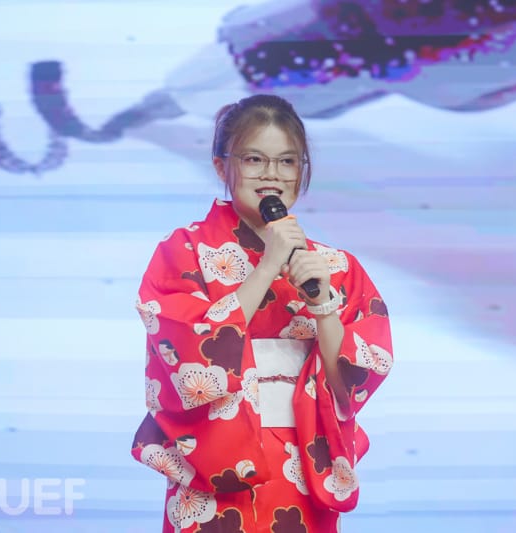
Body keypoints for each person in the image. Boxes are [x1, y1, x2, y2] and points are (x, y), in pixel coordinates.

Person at [130, 94, 393, 532]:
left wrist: (324, 306)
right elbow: (188, 355)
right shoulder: (184, 251)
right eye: (254, 159)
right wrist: (268, 266)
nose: (272, 174)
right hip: (217, 463)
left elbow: (352, 382)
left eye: (287, 161)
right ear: (221, 167)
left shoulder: (334, 266)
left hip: (302, 461)